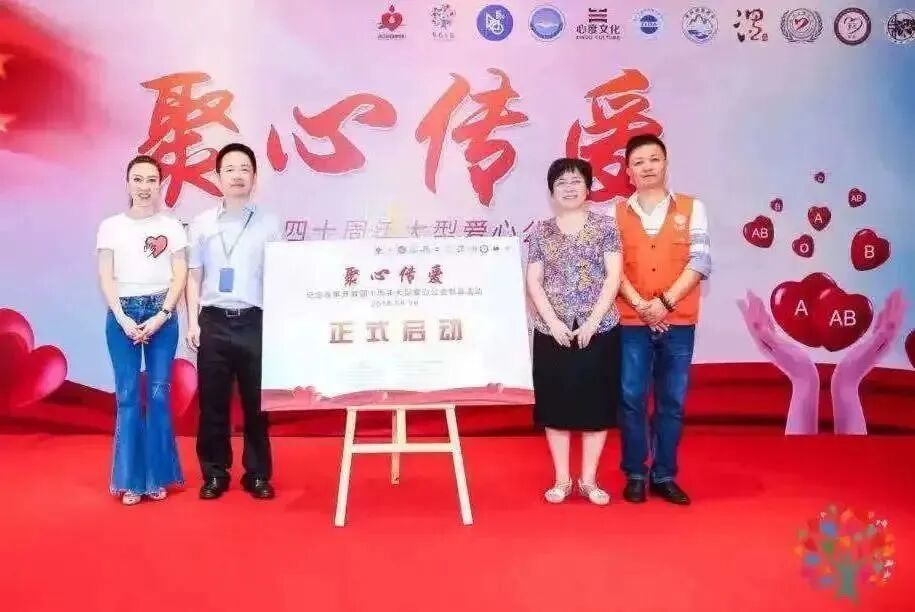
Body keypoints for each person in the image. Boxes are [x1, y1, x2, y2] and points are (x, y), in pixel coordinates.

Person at [614, 134, 712, 505]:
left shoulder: (692, 208)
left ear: (666, 164)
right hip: (632, 322)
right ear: (628, 171)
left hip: (678, 322)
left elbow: (700, 262)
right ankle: (636, 473)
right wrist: (643, 306)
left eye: (654, 159)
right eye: (638, 162)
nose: (647, 167)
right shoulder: (614, 213)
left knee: (672, 400)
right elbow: (612, 269)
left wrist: (664, 303)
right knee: (631, 398)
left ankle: (664, 474)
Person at [186, 143, 281, 500]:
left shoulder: (270, 223)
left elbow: (280, 276)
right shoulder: (201, 224)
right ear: (217, 177)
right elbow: (193, 275)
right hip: (213, 321)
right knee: (212, 404)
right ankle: (214, 473)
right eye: (229, 169)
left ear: (254, 177)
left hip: (254, 321)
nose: (237, 175)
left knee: (257, 404)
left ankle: (257, 474)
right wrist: (193, 322)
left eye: (244, 169)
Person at [526, 158, 623, 505]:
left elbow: (613, 276)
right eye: (561, 183)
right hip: (552, 331)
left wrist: (593, 321)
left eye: (576, 181)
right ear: (551, 191)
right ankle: (562, 480)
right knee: (556, 407)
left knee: (596, 407)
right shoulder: (541, 231)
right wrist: (552, 322)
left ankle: (589, 481)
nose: (569, 188)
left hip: (600, 330)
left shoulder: (605, 226)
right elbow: (534, 280)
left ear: (588, 187)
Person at [96, 154, 187, 505]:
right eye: (138, 179)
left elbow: (180, 274)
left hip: (162, 314)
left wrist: (162, 314)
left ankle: (157, 477)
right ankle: (131, 481)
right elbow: (106, 276)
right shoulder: (110, 226)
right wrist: (122, 318)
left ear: (160, 185)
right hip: (123, 315)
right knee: (128, 397)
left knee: (160, 396)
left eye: (151, 180)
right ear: (127, 183)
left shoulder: (172, 226)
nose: (144, 187)